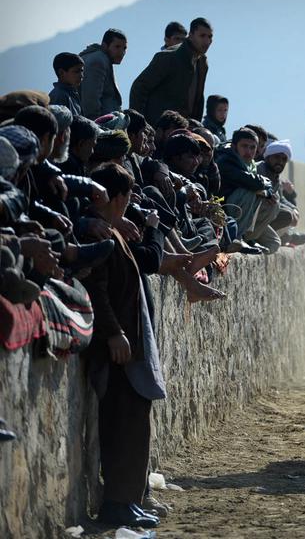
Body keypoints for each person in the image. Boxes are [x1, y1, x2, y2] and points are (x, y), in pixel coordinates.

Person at [81, 162, 165, 528]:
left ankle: (128, 499)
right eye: (128, 195)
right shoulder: (100, 234)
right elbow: (97, 290)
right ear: (115, 197)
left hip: (127, 346)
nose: (130, 203)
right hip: (116, 348)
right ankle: (116, 503)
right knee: (121, 424)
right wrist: (114, 332)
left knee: (135, 422)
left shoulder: (114, 231)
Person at [129, 17, 213, 124]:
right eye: (202, 36)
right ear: (191, 36)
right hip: (159, 127)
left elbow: (198, 99)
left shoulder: (202, 63)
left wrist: (196, 126)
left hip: (184, 128)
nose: (207, 41)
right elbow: (139, 87)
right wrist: (139, 124)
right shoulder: (170, 57)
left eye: (210, 37)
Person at [216, 127, 279, 253]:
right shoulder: (226, 160)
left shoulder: (250, 164)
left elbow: (264, 186)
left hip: (237, 210)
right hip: (221, 212)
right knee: (248, 191)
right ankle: (235, 238)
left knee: (272, 203)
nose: (249, 151)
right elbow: (250, 181)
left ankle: (247, 238)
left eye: (252, 147)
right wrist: (262, 187)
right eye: (244, 146)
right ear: (234, 146)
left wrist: (266, 192)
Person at [258, 139, 305, 246]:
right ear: (268, 157)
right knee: (286, 215)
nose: (280, 161)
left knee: (290, 213)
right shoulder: (259, 171)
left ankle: (285, 237)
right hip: (254, 218)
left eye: (284, 159)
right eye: (276, 157)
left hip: (265, 217)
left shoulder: (275, 176)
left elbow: (281, 198)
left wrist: (293, 209)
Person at [79, 29, 126, 119]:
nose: (122, 52)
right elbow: (90, 100)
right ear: (105, 45)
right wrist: (96, 126)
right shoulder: (98, 61)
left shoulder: (102, 58)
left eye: (124, 48)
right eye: (117, 47)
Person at [49, 52, 84, 116]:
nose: (81, 75)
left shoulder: (72, 93)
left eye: (82, 71)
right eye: (76, 71)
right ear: (61, 72)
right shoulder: (59, 96)